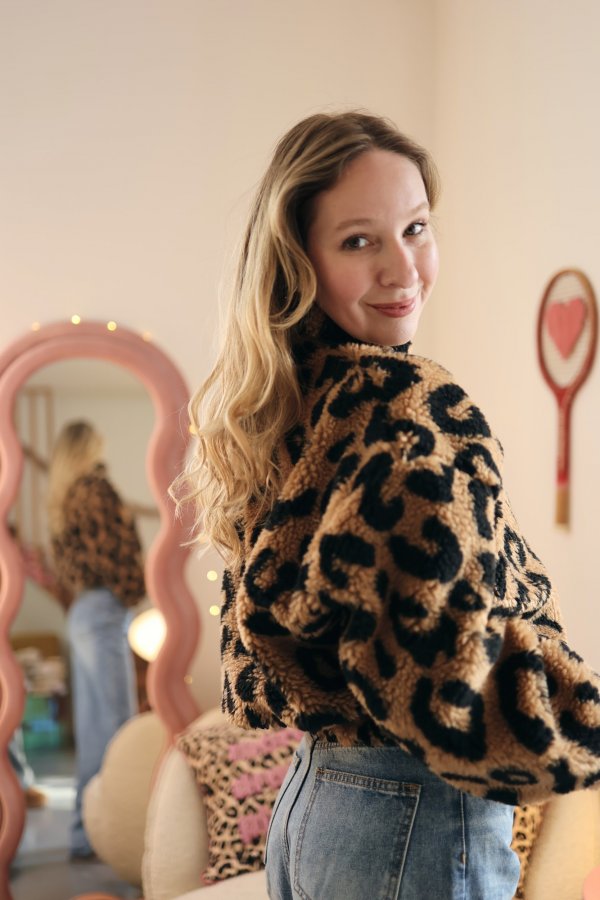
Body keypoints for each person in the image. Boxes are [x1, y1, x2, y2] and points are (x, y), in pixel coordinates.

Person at [175, 112, 600, 899]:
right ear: (300, 261)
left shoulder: (295, 400)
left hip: (316, 800)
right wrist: (582, 729)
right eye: (358, 241)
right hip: (412, 816)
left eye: (415, 228)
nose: (403, 268)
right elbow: (443, 678)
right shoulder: (405, 406)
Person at [47, 420, 145, 859]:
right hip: (103, 610)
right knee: (116, 730)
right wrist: (134, 591)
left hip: (85, 610)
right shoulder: (95, 489)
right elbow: (114, 553)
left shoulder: (64, 496)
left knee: (94, 730)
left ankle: (83, 833)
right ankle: (114, 834)